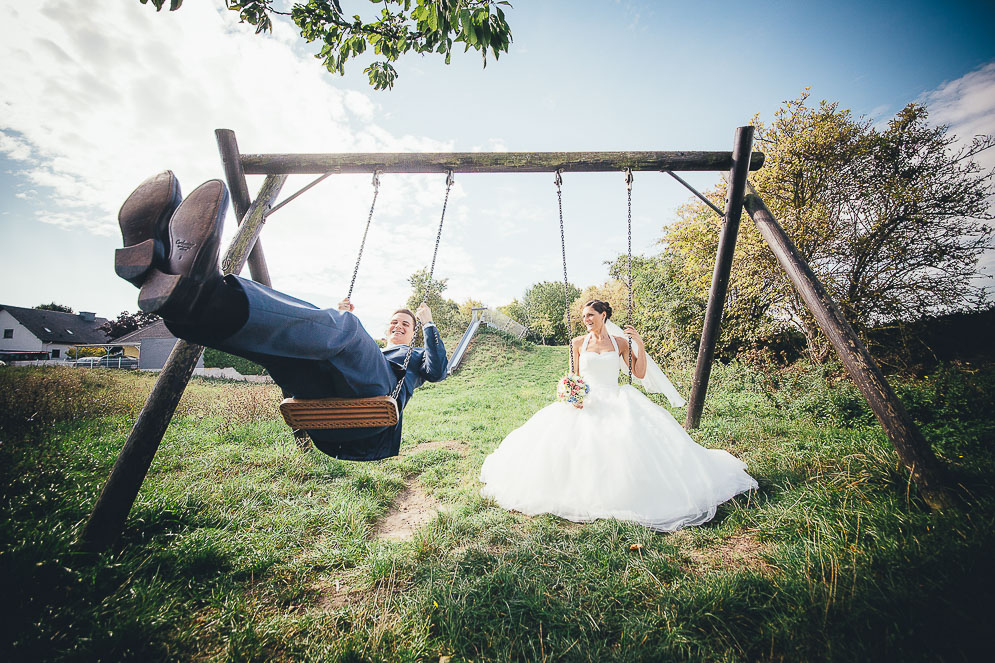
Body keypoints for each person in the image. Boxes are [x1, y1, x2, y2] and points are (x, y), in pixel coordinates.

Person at [113, 171, 447, 461]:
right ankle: (184, 298)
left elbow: (439, 371)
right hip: (327, 421)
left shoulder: (414, 358)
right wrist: (336, 319)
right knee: (290, 348)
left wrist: (428, 322)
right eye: (394, 321)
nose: (398, 326)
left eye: (406, 324)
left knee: (347, 327)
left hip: (372, 420)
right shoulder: (370, 348)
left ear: (414, 333)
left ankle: (208, 293)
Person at [479, 299, 757, 531]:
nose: (586, 319)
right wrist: (570, 394)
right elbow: (573, 376)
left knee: (626, 441)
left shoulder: (621, 342)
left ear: (603, 315)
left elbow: (638, 374)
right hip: (586, 401)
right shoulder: (577, 343)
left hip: (616, 396)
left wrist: (640, 346)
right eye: (583, 316)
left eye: (590, 315)